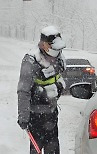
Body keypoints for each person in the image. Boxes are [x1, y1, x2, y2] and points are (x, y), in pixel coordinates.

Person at [17, 25, 66, 154]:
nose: (57, 53)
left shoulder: (59, 58)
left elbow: (60, 79)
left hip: (52, 113)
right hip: (35, 116)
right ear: (44, 45)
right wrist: (23, 116)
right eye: (54, 49)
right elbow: (23, 90)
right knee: (36, 149)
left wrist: (59, 88)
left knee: (53, 148)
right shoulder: (31, 61)